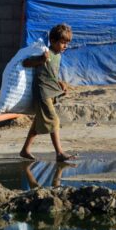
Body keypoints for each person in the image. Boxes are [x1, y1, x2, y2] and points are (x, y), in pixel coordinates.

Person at [20, 23, 75, 162]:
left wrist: (60, 83)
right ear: (53, 41)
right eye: (63, 43)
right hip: (41, 92)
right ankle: (59, 153)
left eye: (67, 43)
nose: (65, 46)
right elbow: (25, 63)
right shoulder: (45, 53)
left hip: (50, 91)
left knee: (38, 122)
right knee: (53, 120)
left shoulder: (58, 55)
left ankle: (25, 150)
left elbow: (51, 73)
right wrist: (41, 59)